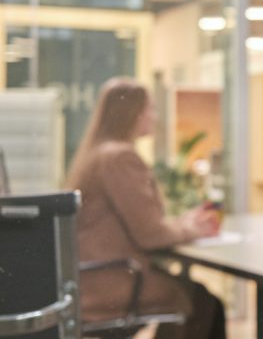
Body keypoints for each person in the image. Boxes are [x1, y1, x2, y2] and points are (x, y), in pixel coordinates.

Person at [66, 78, 225, 339]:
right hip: (115, 282)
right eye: (150, 108)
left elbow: (137, 223)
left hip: (95, 279)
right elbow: (150, 234)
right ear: (134, 113)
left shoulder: (97, 154)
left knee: (200, 299)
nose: (154, 116)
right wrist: (193, 228)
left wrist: (183, 223)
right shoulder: (120, 157)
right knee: (202, 303)